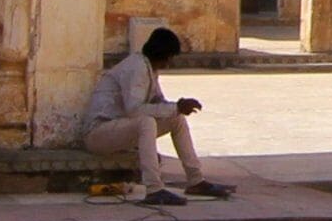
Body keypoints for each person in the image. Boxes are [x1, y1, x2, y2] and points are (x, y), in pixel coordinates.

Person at [81, 25, 232, 205]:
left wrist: (176, 107)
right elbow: (135, 110)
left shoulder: (150, 69)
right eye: (170, 58)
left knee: (177, 119)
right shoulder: (136, 68)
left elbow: (158, 103)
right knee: (146, 122)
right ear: (164, 55)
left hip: (118, 131)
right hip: (98, 134)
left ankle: (196, 180)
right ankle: (154, 189)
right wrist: (175, 107)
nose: (169, 63)